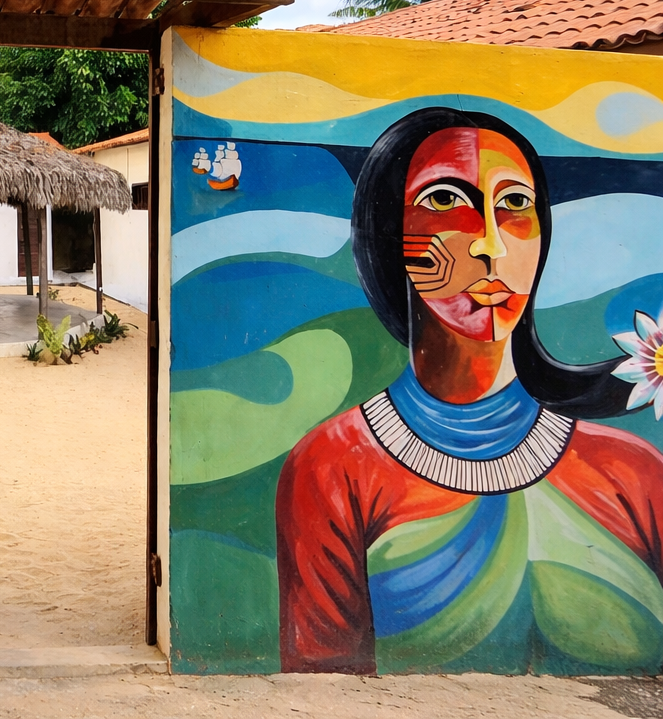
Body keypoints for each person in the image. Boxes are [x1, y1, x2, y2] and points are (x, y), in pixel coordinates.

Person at [277, 107, 663, 673]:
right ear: (390, 236)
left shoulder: (636, 472)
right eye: (443, 202)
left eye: (514, 207)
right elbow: (320, 689)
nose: (489, 245)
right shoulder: (333, 469)